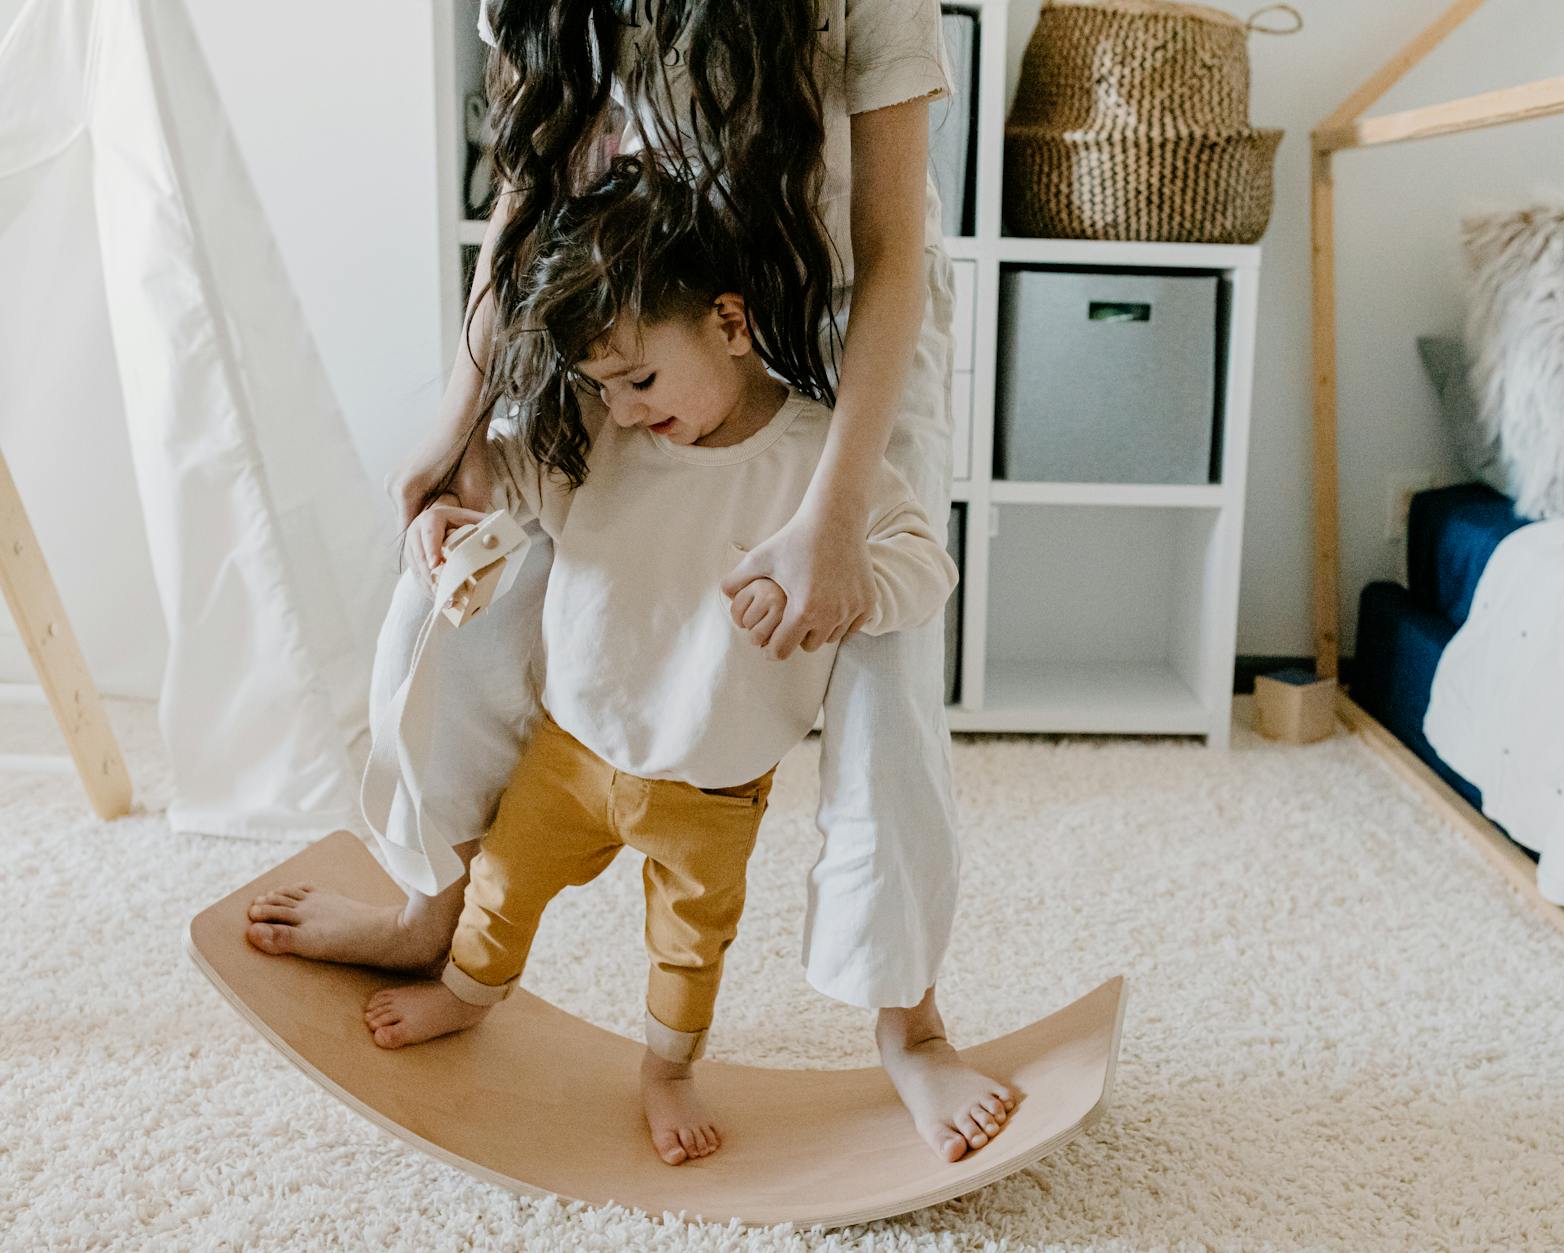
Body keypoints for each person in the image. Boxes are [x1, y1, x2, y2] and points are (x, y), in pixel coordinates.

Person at [244, 0, 1008, 1162]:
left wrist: (835, 512)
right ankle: (430, 911)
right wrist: (459, 420)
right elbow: (527, 196)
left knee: (885, 682)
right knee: (455, 593)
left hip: (844, 318)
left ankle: (909, 1022)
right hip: (634, 310)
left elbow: (896, 246)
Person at [358, 160, 972, 1166]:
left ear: (731, 324)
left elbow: (918, 561)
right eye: (606, 387)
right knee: (503, 883)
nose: (629, 407)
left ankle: (666, 1070)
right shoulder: (606, 434)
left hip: (712, 786)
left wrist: (847, 577)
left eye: (640, 379)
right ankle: (467, 993)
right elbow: (516, 482)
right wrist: (453, 517)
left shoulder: (817, 460)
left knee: (687, 948)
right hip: (569, 750)